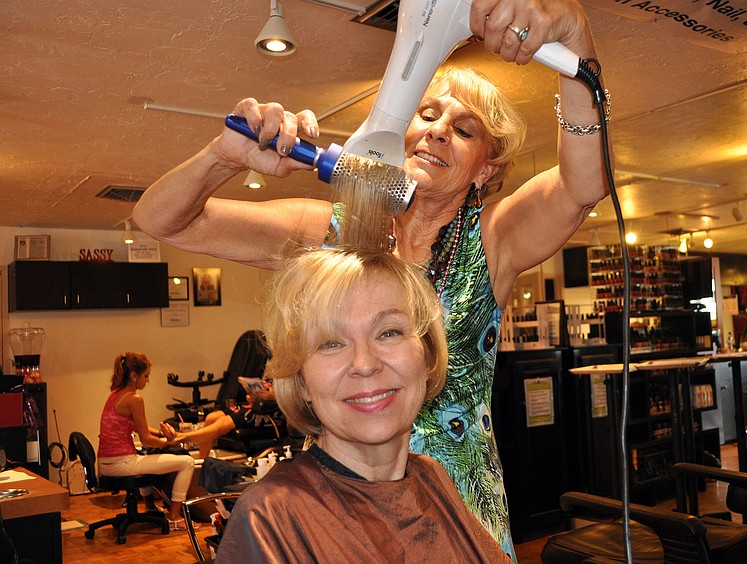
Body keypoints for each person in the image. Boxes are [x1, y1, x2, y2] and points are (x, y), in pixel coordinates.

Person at [133, 1, 608, 554]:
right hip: (341, 501)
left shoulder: (494, 240)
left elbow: (582, 185)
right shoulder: (328, 231)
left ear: (486, 168)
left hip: (458, 511)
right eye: (427, 115)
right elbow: (161, 220)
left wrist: (575, 36)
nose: (437, 132)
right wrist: (225, 156)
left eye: (463, 129)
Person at [215, 248, 511, 562]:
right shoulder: (271, 516)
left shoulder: (430, 476)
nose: (365, 364)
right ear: (301, 382)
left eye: (389, 332)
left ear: (427, 356)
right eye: (331, 343)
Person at [96, 352, 197, 530]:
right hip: (121, 463)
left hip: (107, 462)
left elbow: (137, 427)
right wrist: (169, 442)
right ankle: (174, 517)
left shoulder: (115, 395)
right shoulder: (134, 399)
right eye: (146, 376)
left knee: (146, 457)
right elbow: (146, 440)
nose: (148, 380)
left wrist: (160, 433)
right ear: (134, 375)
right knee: (187, 462)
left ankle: (150, 508)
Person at [165, 380, 282, 458]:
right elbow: (250, 396)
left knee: (223, 422)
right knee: (211, 417)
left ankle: (182, 437)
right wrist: (251, 396)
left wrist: (273, 396)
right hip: (254, 406)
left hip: (270, 412)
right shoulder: (271, 374)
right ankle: (202, 459)